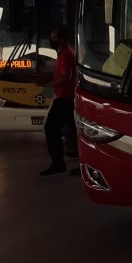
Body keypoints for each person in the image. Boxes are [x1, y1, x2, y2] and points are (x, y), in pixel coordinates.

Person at [39, 27, 77, 176]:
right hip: (66, 98)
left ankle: (58, 163)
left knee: (50, 128)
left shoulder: (66, 55)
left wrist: (48, 84)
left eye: (54, 38)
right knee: (75, 131)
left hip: (65, 99)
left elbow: (65, 78)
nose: (51, 40)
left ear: (62, 39)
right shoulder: (63, 54)